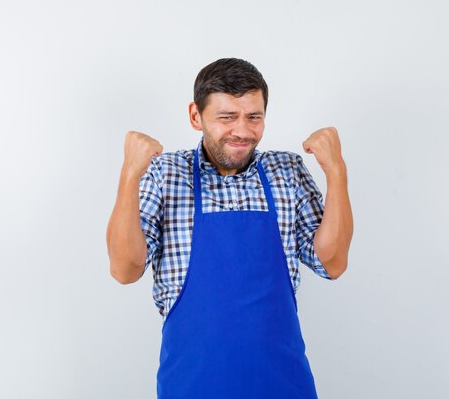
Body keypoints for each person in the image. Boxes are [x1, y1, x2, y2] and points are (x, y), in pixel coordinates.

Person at [106, 57, 353, 399]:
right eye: (226, 117)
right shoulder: (165, 173)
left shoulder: (288, 171)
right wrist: (129, 175)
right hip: (192, 387)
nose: (242, 130)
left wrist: (336, 172)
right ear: (196, 116)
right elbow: (124, 268)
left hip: (283, 385)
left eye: (254, 117)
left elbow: (333, 263)